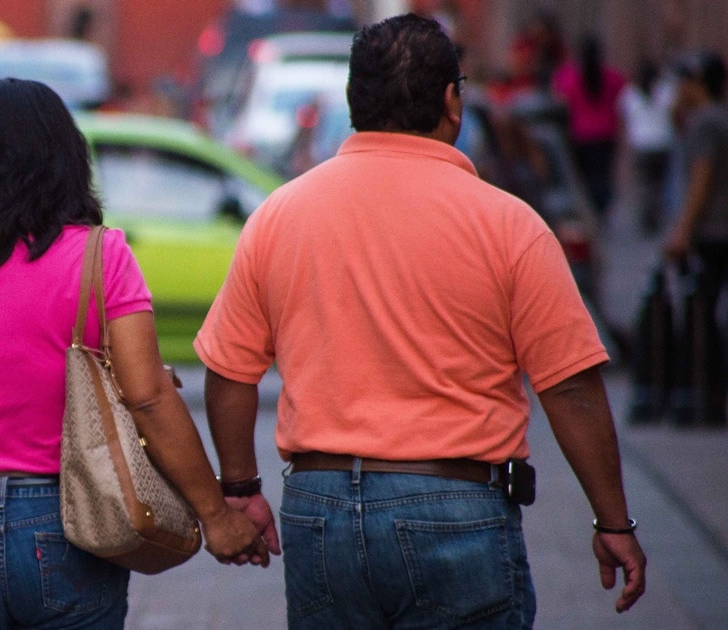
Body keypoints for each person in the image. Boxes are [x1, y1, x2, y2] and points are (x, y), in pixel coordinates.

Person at [194, 14, 646, 628]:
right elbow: (569, 385)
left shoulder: (281, 215)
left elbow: (227, 370)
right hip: (457, 504)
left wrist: (241, 488)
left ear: (356, 102)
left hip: (318, 508)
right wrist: (613, 520)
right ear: (450, 101)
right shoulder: (508, 224)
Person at [0, 78, 268, 628]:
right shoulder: (101, 257)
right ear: (65, 154)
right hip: (69, 521)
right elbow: (149, 397)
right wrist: (216, 515)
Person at [663, 50, 728, 426]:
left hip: (710, 231)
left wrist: (682, 230)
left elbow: (701, 177)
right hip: (718, 229)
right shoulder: (714, 118)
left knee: (701, 314)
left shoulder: (705, 123)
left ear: (697, 83)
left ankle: (704, 394)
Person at [551, 32, 627, 223]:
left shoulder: (569, 76)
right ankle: (601, 210)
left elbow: (558, 98)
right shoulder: (612, 77)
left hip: (580, 135)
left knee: (585, 178)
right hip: (607, 134)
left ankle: (591, 212)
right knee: (603, 175)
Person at [618, 57, 676, 235]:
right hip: (662, 143)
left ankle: (647, 215)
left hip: (641, 144)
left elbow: (624, 118)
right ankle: (656, 214)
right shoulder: (665, 91)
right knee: (659, 183)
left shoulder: (630, 94)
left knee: (644, 184)